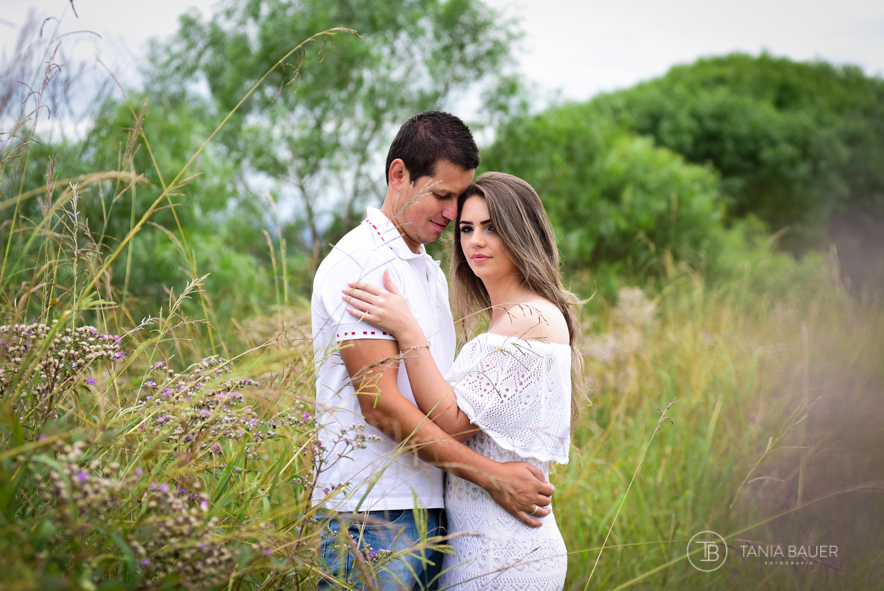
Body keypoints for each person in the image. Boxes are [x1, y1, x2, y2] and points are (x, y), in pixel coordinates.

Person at [311, 113, 556, 590]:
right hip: (371, 513)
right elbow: (380, 405)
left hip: (429, 510)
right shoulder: (363, 263)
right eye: (441, 195)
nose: (451, 212)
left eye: (457, 198)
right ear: (399, 175)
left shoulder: (427, 270)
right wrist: (492, 476)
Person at [343, 172, 585, 589]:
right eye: (467, 228)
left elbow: (452, 419)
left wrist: (408, 330)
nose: (475, 241)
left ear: (521, 233)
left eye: (492, 228)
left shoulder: (530, 317)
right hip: (483, 544)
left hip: (505, 551)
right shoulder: (507, 318)